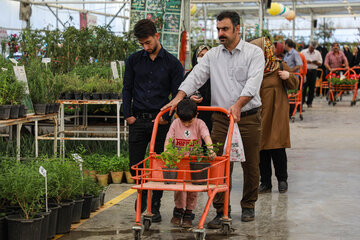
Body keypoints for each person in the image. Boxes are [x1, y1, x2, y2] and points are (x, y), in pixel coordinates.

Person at [161, 11, 265, 226]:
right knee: (217, 163)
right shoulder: (213, 55)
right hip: (221, 119)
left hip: (247, 117)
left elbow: (253, 84)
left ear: (238, 29)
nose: (220, 33)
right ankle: (221, 209)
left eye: (225, 29)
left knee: (251, 164)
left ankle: (248, 205)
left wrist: (237, 105)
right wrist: (178, 98)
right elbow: (196, 76)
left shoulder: (254, 53)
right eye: (218, 29)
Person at [122, 19, 184, 222]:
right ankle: (141, 197)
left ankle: (153, 205)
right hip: (137, 120)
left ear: (157, 36)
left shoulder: (173, 64)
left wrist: (167, 117)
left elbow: (177, 95)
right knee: (136, 165)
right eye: (142, 44)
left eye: (148, 42)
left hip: (161, 121)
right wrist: (128, 115)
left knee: (158, 166)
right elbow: (127, 88)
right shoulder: (134, 60)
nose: (146, 47)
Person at [250, 37, 299, 194]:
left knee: (277, 147)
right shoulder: (253, 69)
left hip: (276, 113)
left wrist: (289, 76)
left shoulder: (279, 65)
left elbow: (295, 85)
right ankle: (265, 182)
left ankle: (282, 180)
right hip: (259, 113)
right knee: (261, 149)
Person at [165, 99, 215, 228]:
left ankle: (189, 212)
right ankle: (178, 210)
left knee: (193, 189)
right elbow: (169, 139)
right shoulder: (175, 124)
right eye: (184, 121)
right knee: (179, 188)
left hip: (194, 162)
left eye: (190, 121)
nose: (187, 125)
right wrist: (167, 151)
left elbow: (206, 136)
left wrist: (210, 150)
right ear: (178, 117)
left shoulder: (200, 124)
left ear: (196, 115)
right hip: (180, 161)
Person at [185, 45, 213, 133]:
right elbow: (181, 96)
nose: (204, 58)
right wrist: (190, 99)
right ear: (196, 57)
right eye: (201, 55)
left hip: (212, 118)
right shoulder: (190, 76)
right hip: (192, 118)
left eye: (207, 55)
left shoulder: (216, 76)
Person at [301, 41, 323, 108]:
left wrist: (315, 62)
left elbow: (320, 63)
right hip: (305, 71)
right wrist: (305, 62)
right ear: (309, 46)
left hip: (313, 71)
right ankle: (302, 101)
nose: (311, 49)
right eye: (311, 48)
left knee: (312, 87)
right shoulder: (303, 52)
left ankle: (309, 102)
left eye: (313, 48)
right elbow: (299, 61)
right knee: (304, 87)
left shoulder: (317, 53)